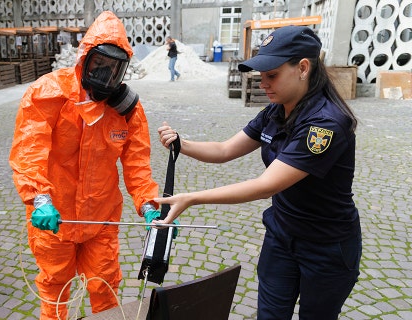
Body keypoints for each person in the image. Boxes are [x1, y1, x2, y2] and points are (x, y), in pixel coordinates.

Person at [155, 26, 361, 319]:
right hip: (282, 236)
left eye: (271, 74)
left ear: (303, 68)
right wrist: (181, 143)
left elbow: (266, 185)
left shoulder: (325, 124)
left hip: (326, 248)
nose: (263, 83)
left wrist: (191, 198)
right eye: (260, 75)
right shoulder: (275, 112)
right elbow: (226, 150)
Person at [9, 11, 164, 319]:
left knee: (105, 286)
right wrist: (39, 198)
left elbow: (137, 163)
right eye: (99, 67)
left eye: (114, 70)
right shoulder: (48, 93)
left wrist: (148, 204)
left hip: (101, 219)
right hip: (55, 219)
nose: (105, 77)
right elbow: (30, 149)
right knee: (55, 288)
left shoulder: (127, 110)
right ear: (86, 60)